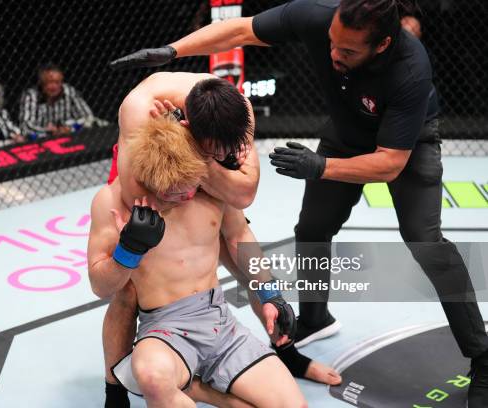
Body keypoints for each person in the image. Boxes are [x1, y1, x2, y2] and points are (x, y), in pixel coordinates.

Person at [108, 0, 488, 405]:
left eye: (347, 51)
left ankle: (482, 356)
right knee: (312, 229)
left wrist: (321, 166)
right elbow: (240, 30)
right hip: (346, 131)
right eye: (331, 43)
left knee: (424, 239)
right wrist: (173, 50)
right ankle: (313, 319)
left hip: (405, 144)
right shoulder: (318, 16)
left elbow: (389, 163)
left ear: (382, 45)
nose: (333, 54)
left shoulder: (409, 69)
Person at [103, 72, 340, 408]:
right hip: (153, 155)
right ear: (192, 131)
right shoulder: (139, 109)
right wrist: (176, 146)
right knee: (129, 282)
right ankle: (115, 388)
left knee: (231, 236)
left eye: (227, 151)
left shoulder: (238, 110)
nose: (228, 155)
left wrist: (198, 160)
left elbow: (244, 193)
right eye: (214, 151)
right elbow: (140, 196)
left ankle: (284, 351)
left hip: (188, 143)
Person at [18, 63, 98, 139]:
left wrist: (69, 127)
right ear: (41, 83)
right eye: (49, 82)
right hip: (41, 139)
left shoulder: (68, 91)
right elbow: (25, 126)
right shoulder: (31, 96)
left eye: (57, 82)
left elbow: (88, 116)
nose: (54, 87)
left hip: (71, 134)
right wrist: (48, 131)